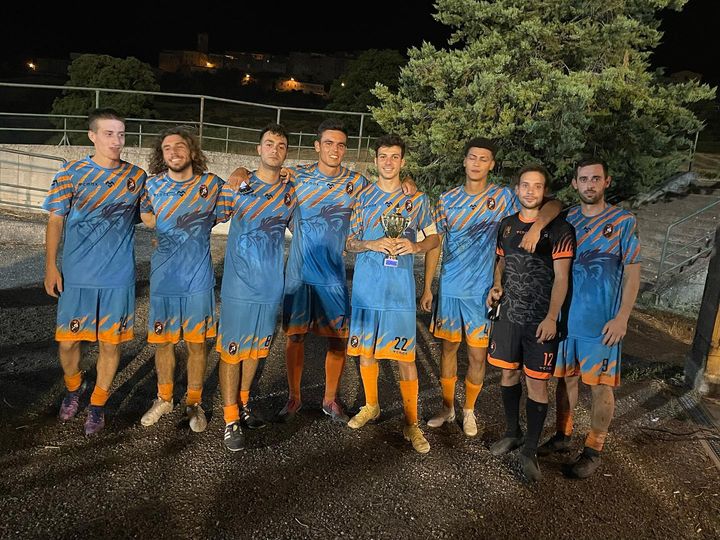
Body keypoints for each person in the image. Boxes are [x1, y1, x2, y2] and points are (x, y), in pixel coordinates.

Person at [229, 120, 415, 423]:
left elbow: (387, 186)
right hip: (299, 273)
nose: (334, 149)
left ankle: (330, 400)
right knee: (295, 337)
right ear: (317, 146)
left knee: (337, 340)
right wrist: (241, 171)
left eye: (341, 144)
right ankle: (294, 398)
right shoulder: (297, 176)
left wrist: (407, 181)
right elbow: (266, 173)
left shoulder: (357, 183)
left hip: (333, 276)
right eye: (328, 143)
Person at [421, 138, 561, 437]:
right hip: (451, 289)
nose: (476, 163)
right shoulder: (446, 199)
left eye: (483, 159)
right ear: (464, 161)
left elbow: (554, 204)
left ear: (492, 164)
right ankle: (447, 408)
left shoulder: (505, 197)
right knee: (448, 350)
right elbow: (436, 243)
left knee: (477, 356)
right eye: (472, 157)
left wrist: (538, 227)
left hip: (482, 292)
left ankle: (468, 411)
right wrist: (428, 286)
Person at [43, 108, 147, 435]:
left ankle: (98, 403)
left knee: (110, 345)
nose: (116, 141)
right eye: (108, 133)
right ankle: (74, 388)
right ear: (92, 136)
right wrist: (50, 265)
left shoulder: (137, 177)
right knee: (68, 343)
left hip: (118, 277)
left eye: (121, 134)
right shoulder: (70, 173)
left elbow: (153, 213)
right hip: (77, 275)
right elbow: (55, 220)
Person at [538, 158, 641, 479]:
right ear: (575, 184)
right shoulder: (567, 218)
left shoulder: (623, 222)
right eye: (583, 179)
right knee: (564, 379)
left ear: (607, 181)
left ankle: (594, 449)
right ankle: (563, 435)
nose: (590, 184)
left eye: (596, 178)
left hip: (601, 324)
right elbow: (547, 205)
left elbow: (633, 273)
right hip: (567, 319)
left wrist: (622, 318)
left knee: (599, 386)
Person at [345, 134, 439, 453]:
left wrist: (415, 246)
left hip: (399, 292)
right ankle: (372, 406)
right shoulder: (362, 198)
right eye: (383, 156)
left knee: (405, 357)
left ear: (403, 161)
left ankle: (411, 423)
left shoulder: (417, 200)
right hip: (367, 290)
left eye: (394, 156)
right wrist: (370, 243)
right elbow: (350, 242)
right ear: (375, 160)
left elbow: (434, 239)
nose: (388, 162)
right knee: (367, 352)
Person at [486, 164, 575, 481]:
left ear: (544, 190)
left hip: (540, 321)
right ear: (517, 189)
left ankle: (530, 450)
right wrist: (496, 285)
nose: (530, 191)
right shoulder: (507, 225)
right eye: (525, 185)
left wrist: (552, 317)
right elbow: (501, 261)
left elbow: (562, 278)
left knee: (537, 382)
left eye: (537, 186)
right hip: (509, 316)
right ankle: (513, 432)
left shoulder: (560, 230)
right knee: (508, 373)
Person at [138, 126, 226, 432]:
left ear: (192, 151)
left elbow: (234, 201)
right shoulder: (152, 186)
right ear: (161, 155)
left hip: (198, 280)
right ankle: (164, 398)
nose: (173, 152)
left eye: (179, 146)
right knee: (163, 343)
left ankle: (194, 403)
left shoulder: (211, 185)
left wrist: (242, 172)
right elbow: (147, 216)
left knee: (196, 344)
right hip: (164, 279)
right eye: (167, 148)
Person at [216, 124, 296, 451]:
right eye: (269, 143)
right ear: (258, 149)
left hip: (270, 286)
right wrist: (237, 171)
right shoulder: (240, 185)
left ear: (286, 152)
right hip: (238, 286)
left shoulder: (291, 193)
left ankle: (244, 403)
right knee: (232, 351)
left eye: (281, 145)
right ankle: (229, 418)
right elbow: (208, 215)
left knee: (255, 351)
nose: (275, 149)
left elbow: (304, 227)